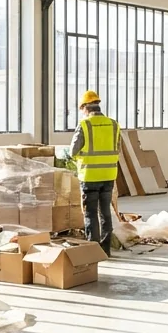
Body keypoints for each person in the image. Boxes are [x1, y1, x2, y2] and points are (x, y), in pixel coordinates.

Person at [70, 90, 120, 255]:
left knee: (91, 213)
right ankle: (105, 250)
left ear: (85, 107)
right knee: (105, 211)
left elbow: (73, 151)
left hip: (90, 176)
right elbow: (117, 148)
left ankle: (93, 251)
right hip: (109, 175)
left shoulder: (84, 125)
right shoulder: (113, 124)